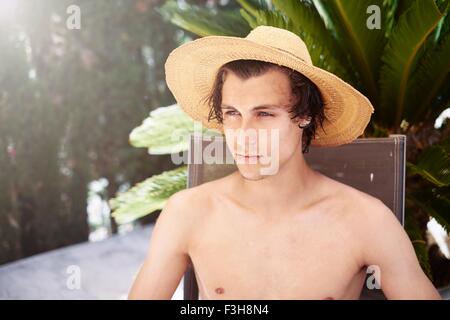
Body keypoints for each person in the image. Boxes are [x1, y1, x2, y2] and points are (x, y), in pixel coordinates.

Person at [128, 26, 441, 300]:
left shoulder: (365, 221)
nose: (244, 135)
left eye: (264, 114)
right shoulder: (188, 213)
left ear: (304, 115)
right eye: (233, 114)